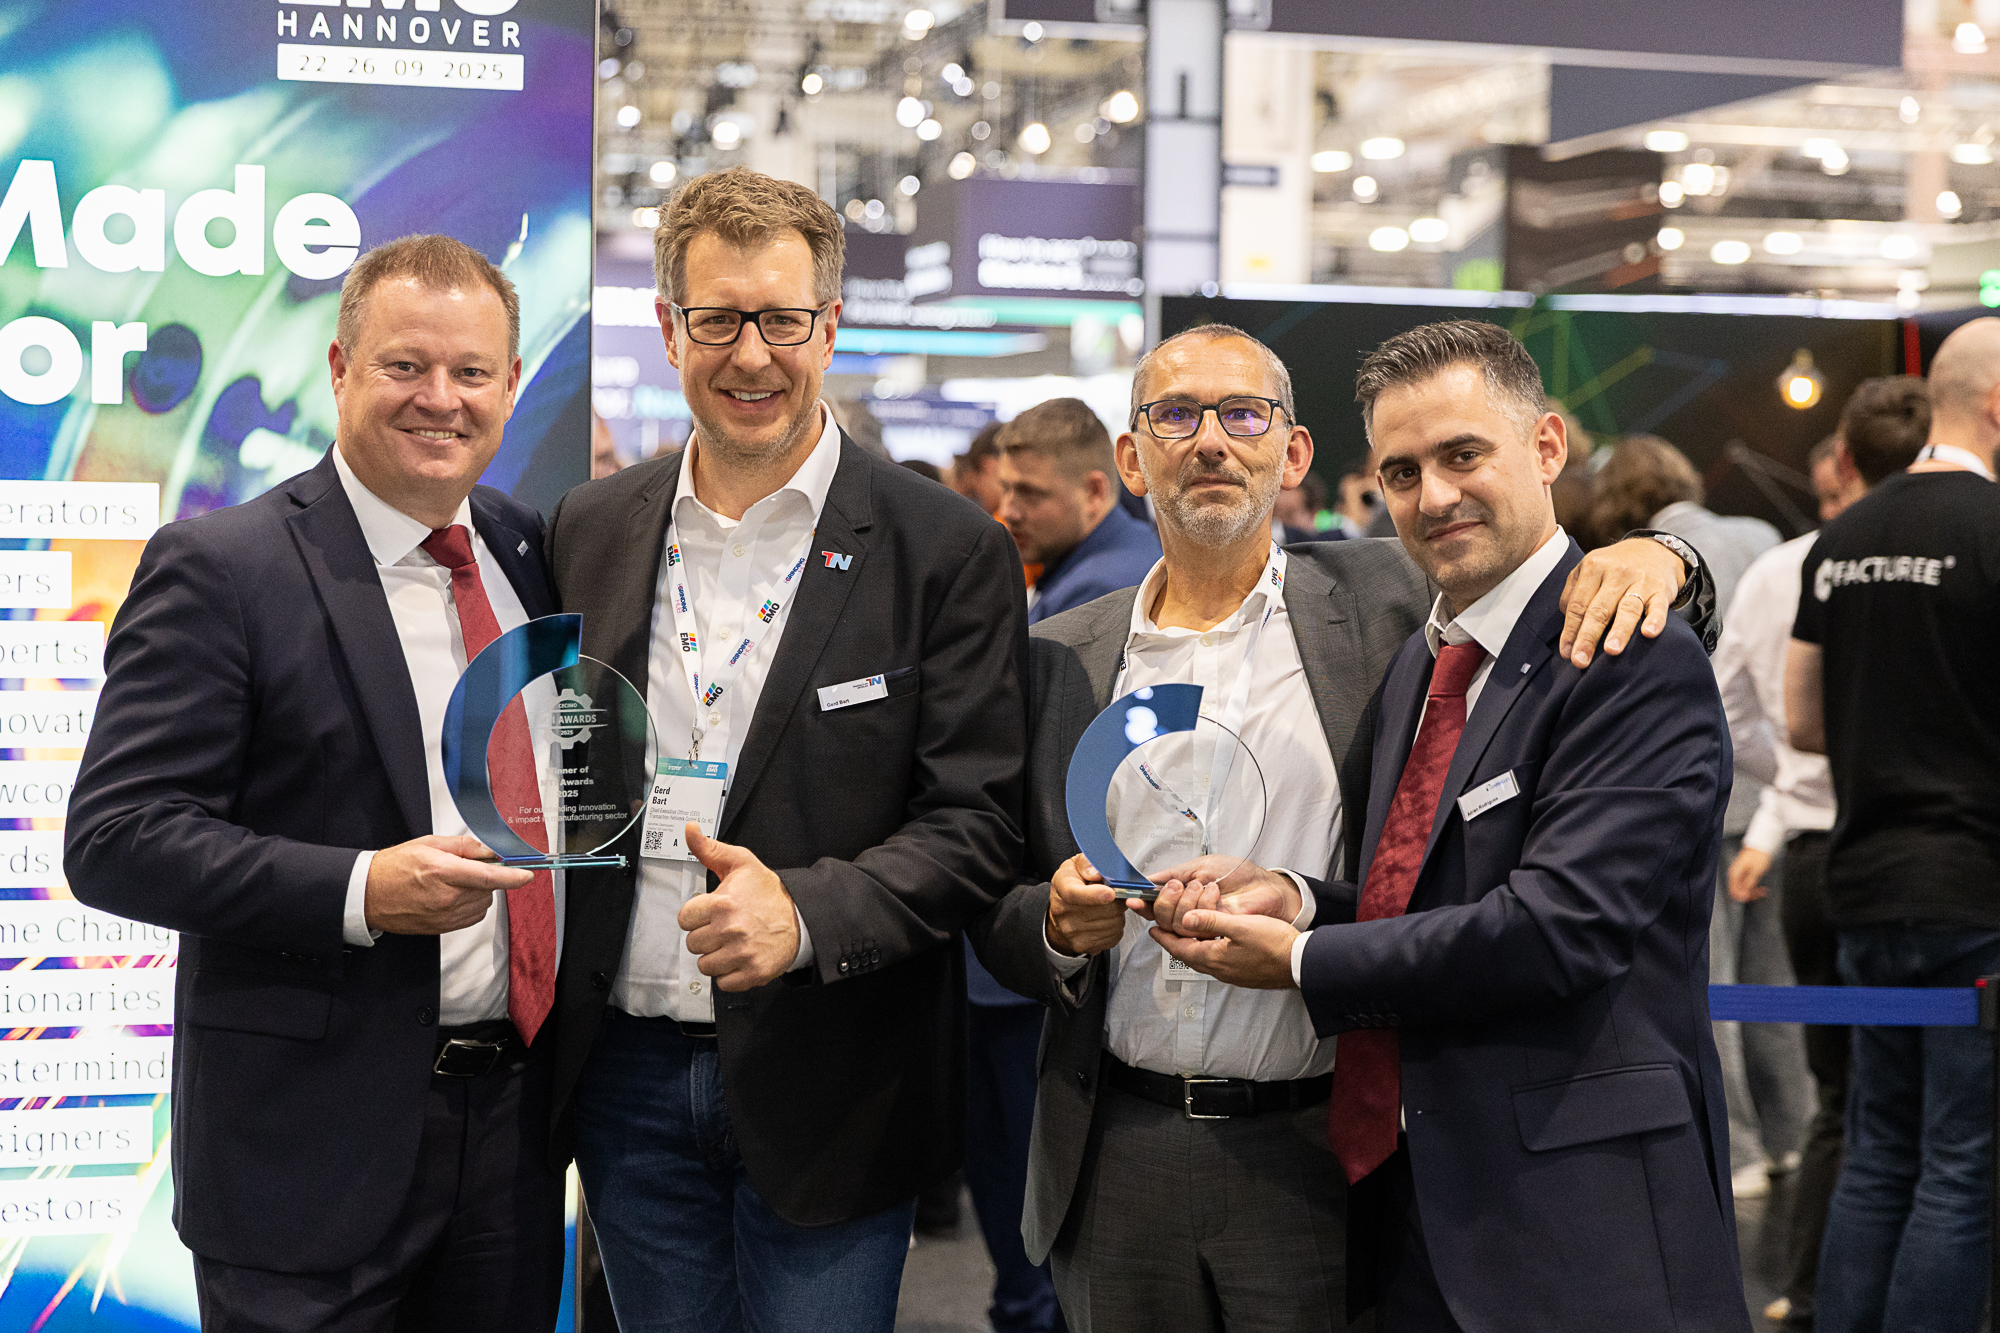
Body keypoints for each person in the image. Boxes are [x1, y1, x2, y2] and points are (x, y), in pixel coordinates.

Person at [968, 320, 1709, 1333]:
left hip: (1328, 1153)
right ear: (1132, 459)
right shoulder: (1055, 656)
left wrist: (1663, 554)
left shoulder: (1387, 606)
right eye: (1176, 416)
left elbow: (1543, 580)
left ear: (1294, 452)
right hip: (1114, 1145)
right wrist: (1056, 925)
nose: (1210, 440)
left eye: (1243, 414)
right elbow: (991, 891)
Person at [543, 166, 1029, 1333]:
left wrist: (805, 914)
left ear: (829, 325)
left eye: (781, 320)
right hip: (623, 1077)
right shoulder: (587, 528)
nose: (751, 355)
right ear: (669, 328)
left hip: (834, 1070)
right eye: (718, 320)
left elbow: (976, 823)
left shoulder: (942, 547)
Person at [65, 235, 565, 1330]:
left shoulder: (527, 550)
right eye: (405, 366)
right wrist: (361, 890)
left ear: (511, 385)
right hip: (302, 1153)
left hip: (515, 1142)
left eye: (472, 371)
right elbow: (116, 836)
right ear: (339, 368)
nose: (440, 398)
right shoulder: (223, 566)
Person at [1786, 320, 2000, 1333]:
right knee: (1959, 1162)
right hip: (1971, 893)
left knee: (1878, 1149)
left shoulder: (1842, 536)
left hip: (1863, 881)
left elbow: (1801, 718)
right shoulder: (1993, 528)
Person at [1719, 381, 1928, 1328]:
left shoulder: (1786, 568)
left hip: (1814, 851)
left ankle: (1811, 1298)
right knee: (1944, 1112)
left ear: (1843, 460)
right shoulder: (1961, 550)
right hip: (1922, 862)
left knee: (1840, 1100)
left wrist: (1796, 786)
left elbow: (1732, 715)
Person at [1591, 431, 1800, 1198]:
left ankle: (1736, 1149)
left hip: (1698, 798)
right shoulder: (1761, 535)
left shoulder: (1634, 565)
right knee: (1775, 985)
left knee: (1709, 986)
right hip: (1777, 795)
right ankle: (1793, 1136)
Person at [997, 396, 1162, 624]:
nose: (1008, 511)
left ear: (1094, 492)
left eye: (1029, 493)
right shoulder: (1135, 542)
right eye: (1005, 489)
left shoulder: (1096, 591)